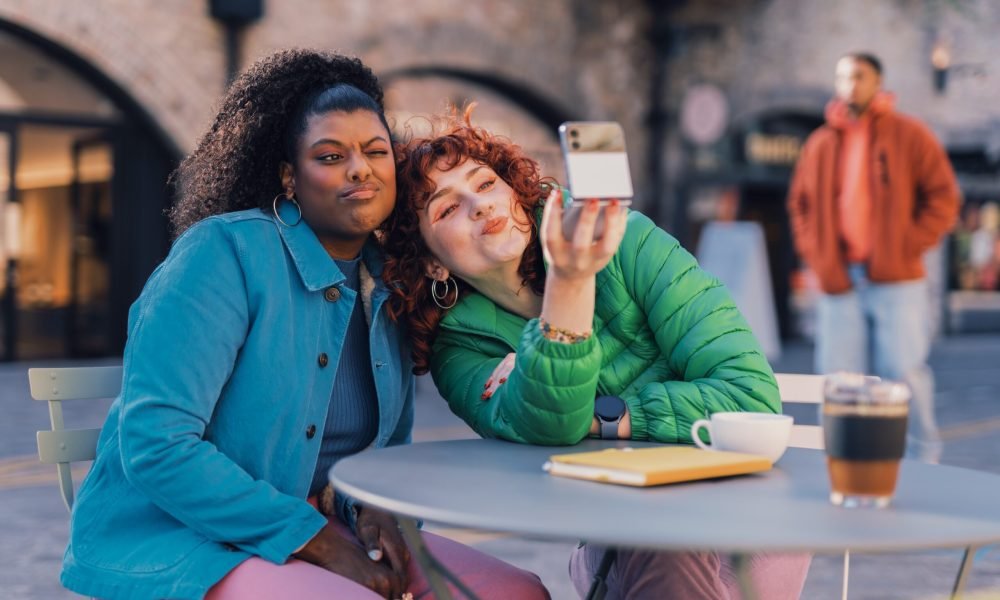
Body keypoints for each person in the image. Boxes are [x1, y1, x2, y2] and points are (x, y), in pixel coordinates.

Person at [60, 50, 549, 600]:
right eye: (331, 155)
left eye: (375, 151)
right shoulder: (222, 256)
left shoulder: (389, 283)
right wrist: (317, 539)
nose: (359, 168)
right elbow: (157, 446)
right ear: (291, 177)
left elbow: (384, 447)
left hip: (315, 529)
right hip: (181, 538)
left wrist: (371, 511)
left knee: (514, 591)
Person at [381, 108, 810, 599]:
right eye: (446, 208)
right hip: (622, 539)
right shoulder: (459, 348)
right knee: (655, 530)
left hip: (745, 524)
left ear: (515, 193)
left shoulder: (629, 241)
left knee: (660, 529)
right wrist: (571, 282)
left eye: (484, 183)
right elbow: (552, 424)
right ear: (432, 264)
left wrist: (605, 417)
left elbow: (750, 397)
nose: (477, 205)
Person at [787, 52, 961, 463]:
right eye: (843, 76)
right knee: (836, 380)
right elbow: (800, 205)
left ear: (877, 82)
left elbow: (944, 197)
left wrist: (908, 244)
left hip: (897, 279)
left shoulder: (910, 135)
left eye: (859, 77)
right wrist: (818, 256)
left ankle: (923, 461)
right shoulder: (820, 143)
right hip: (839, 278)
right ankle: (836, 460)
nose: (849, 85)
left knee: (905, 374)